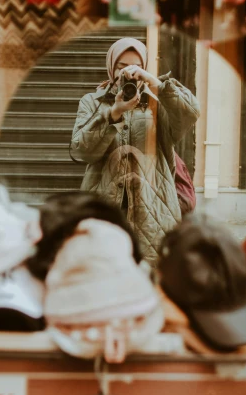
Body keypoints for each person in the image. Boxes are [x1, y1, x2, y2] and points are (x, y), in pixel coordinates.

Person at [70, 37, 200, 268]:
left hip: (153, 210)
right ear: (111, 68)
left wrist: (154, 83)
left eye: (135, 67)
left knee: (150, 280)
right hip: (104, 207)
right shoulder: (92, 102)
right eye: (122, 67)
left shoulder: (158, 103)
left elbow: (190, 112)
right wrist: (113, 114)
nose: (128, 74)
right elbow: (82, 151)